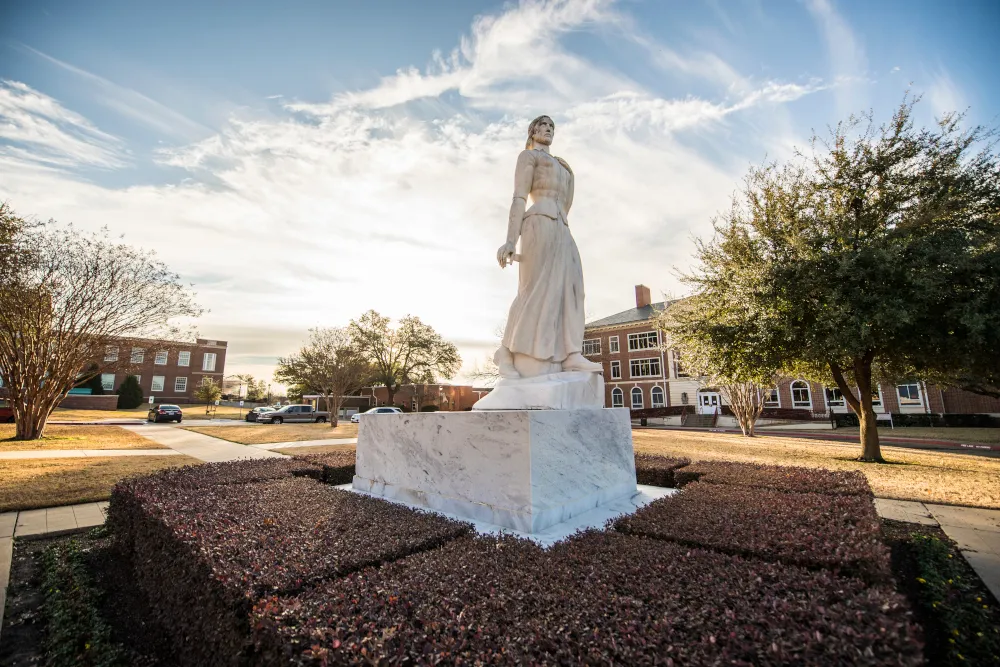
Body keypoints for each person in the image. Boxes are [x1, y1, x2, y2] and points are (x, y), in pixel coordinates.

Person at [494, 115, 603, 379]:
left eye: (552, 127)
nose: (549, 130)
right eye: (543, 126)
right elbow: (519, 196)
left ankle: (571, 354)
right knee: (534, 288)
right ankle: (506, 353)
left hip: (561, 227)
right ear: (532, 131)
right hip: (537, 223)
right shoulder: (528, 157)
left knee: (573, 290)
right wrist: (511, 239)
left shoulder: (564, 167)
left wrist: (560, 225)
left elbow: (568, 203)